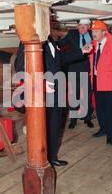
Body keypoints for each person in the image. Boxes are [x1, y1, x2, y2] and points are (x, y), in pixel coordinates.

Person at [15, 36, 86, 167]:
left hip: (57, 91)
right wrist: (40, 83)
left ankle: (52, 157)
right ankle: (41, 158)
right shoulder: (28, 40)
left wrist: (81, 51)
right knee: (42, 127)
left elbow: (60, 59)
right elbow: (20, 67)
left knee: (55, 125)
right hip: (41, 93)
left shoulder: (51, 41)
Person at [87, 20, 112, 145]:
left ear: (104, 32)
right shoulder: (92, 44)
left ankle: (110, 134)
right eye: (92, 31)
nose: (93, 33)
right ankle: (103, 129)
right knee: (99, 108)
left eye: (96, 31)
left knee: (109, 110)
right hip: (96, 81)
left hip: (109, 83)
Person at [56, 19, 94, 129]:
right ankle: (73, 120)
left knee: (86, 95)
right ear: (77, 26)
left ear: (89, 27)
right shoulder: (72, 34)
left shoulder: (93, 34)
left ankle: (87, 118)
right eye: (80, 26)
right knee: (73, 96)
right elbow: (61, 43)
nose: (82, 28)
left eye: (85, 26)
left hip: (87, 69)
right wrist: (50, 45)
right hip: (73, 68)